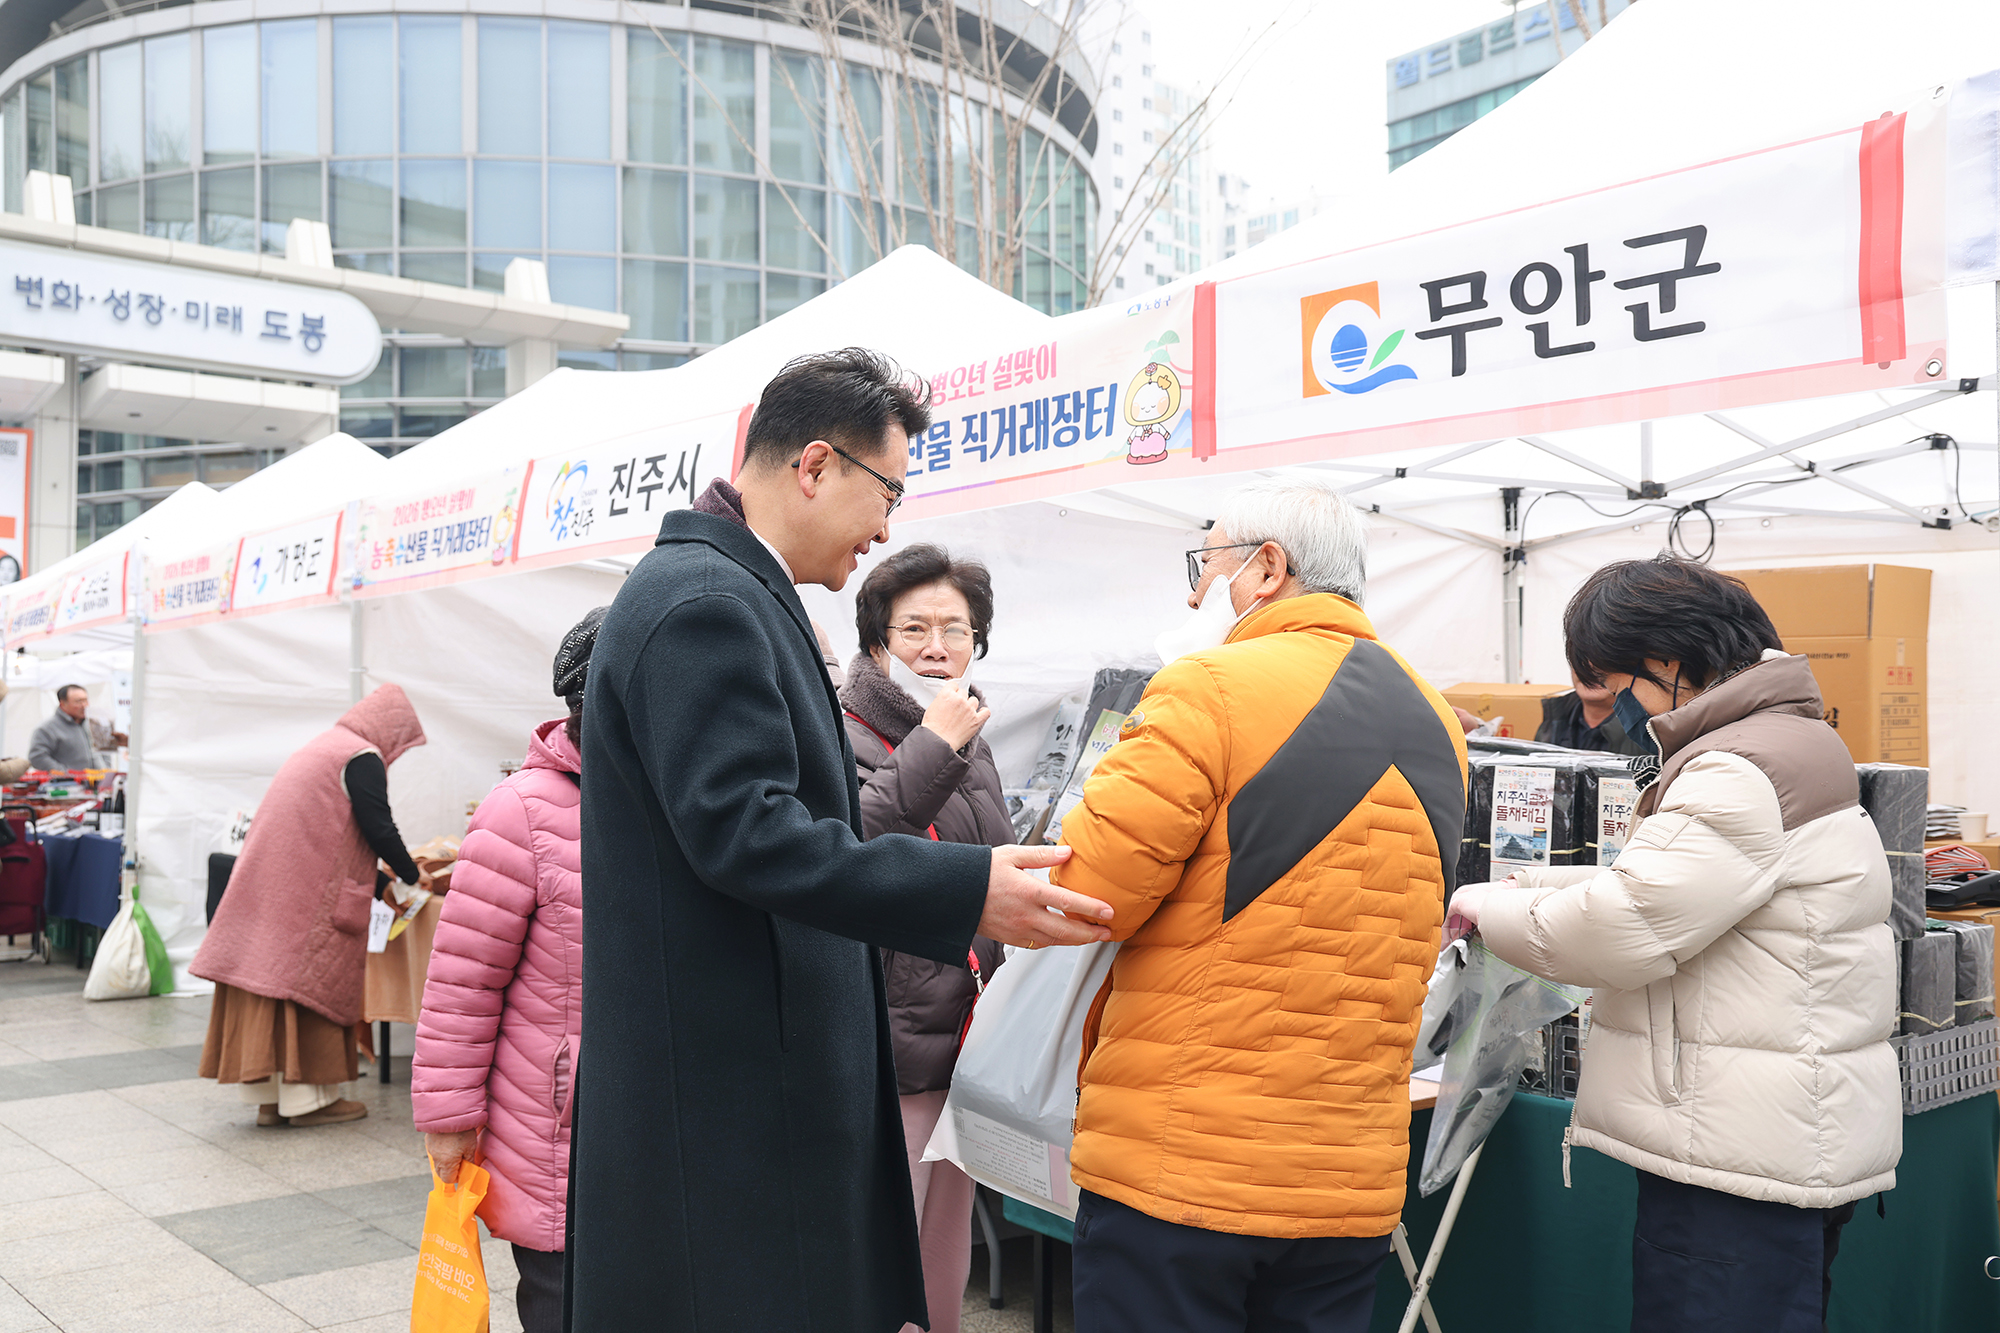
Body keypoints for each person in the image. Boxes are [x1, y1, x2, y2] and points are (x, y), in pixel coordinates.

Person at [571, 347, 1114, 1333]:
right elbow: (749, 834)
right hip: (727, 1114)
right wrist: (963, 889)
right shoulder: (704, 602)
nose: (886, 527)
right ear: (813, 466)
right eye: (887, 492)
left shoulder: (728, 591)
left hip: (742, 1096)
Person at [1050, 475, 1468, 1333]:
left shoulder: (1207, 686)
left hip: (1186, 1164)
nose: (1199, 590)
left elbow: (1089, 890)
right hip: (1348, 1179)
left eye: (1206, 564)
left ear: (1266, 568)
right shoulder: (1440, 719)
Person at [1450, 556, 1899, 1332]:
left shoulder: (1738, 768)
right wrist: (1530, 891)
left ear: (1667, 661)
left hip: (1735, 1160)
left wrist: (1482, 907)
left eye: (1610, 685)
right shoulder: (1787, 742)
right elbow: (1668, 888)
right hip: (1775, 1133)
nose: (1603, 712)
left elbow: (1624, 927)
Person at [412, 609, 601, 1333]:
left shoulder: (676, 800)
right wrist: (450, 1121)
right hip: (553, 1121)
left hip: (655, 1116)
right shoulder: (521, 809)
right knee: (561, 1300)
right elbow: (462, 982)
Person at [841, 545, 1009, 1333]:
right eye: (914, 628)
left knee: (947, 1259)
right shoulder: (843, 732)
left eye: (956, 628)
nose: (936, 646)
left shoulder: (976, 743)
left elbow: (991, 866)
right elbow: (852, 842)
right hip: (892, 1046)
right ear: (877, 642)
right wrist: (934, 744)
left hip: (967, 1042)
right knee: (884, 1262)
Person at [192, 684, 429, 1127]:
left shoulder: (323, 747)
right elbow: (378, 827)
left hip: (276, 889)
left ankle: (269, 1101)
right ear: (391, 730)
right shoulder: (361, 756)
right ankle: (309, 1102)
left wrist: (384, 885)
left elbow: (337, 837)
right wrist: (413, 877)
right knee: (305, 988)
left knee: (266, 983)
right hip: (306, 900)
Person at [1534, 669, 1650, 754]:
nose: (1590, 671)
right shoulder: (1555, 716)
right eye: (1581, 659)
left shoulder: (1647, 729)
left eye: (1602, 660)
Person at [29, 685, 109, 770]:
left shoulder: (91, 724)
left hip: (98, 781)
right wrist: (65, 774)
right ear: (63, 704)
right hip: (68, 782)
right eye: (78, 701)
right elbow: (37, 757)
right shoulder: (47, 729)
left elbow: (104, 750)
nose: (84, 705)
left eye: (85, 700)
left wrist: (106, 771)